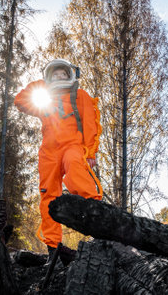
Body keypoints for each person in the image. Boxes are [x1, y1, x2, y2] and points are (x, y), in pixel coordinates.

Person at [14, 59, 102, 265]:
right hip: (48, 151)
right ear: (48, 77)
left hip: (72, 145)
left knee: (76, 169)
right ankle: (53, 248)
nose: (60, 77)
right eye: (55, 74)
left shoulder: (80, 95)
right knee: (48, 195)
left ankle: (99, 221)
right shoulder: (46, 98)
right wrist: (40, 87)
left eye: (64, 73)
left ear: (71, 75)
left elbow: (91, 122)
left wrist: (91, 151)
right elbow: (20, 101)